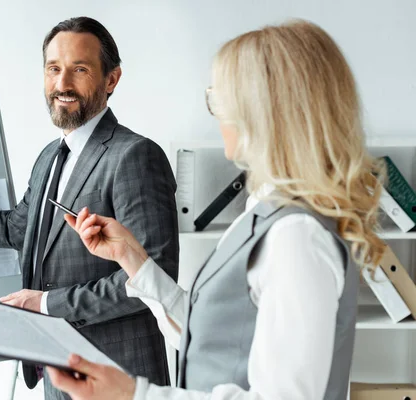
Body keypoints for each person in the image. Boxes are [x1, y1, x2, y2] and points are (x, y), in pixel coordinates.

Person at [47, 19, 386, 400]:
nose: (215, 113)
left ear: (265, 112)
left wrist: (134, 394)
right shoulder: (268, 212)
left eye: (220, 98)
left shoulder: (295, 236)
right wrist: (132, 259)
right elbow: (211, 335)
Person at [0, 16, 179, 400]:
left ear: (112, 80)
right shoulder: (50, 158)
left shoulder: (135, 156)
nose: (62, 84)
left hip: (118, 375)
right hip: (59, 372)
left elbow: (152, 279)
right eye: (53, 69)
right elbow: (17, 230)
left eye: (80, 69)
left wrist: (47, 304)